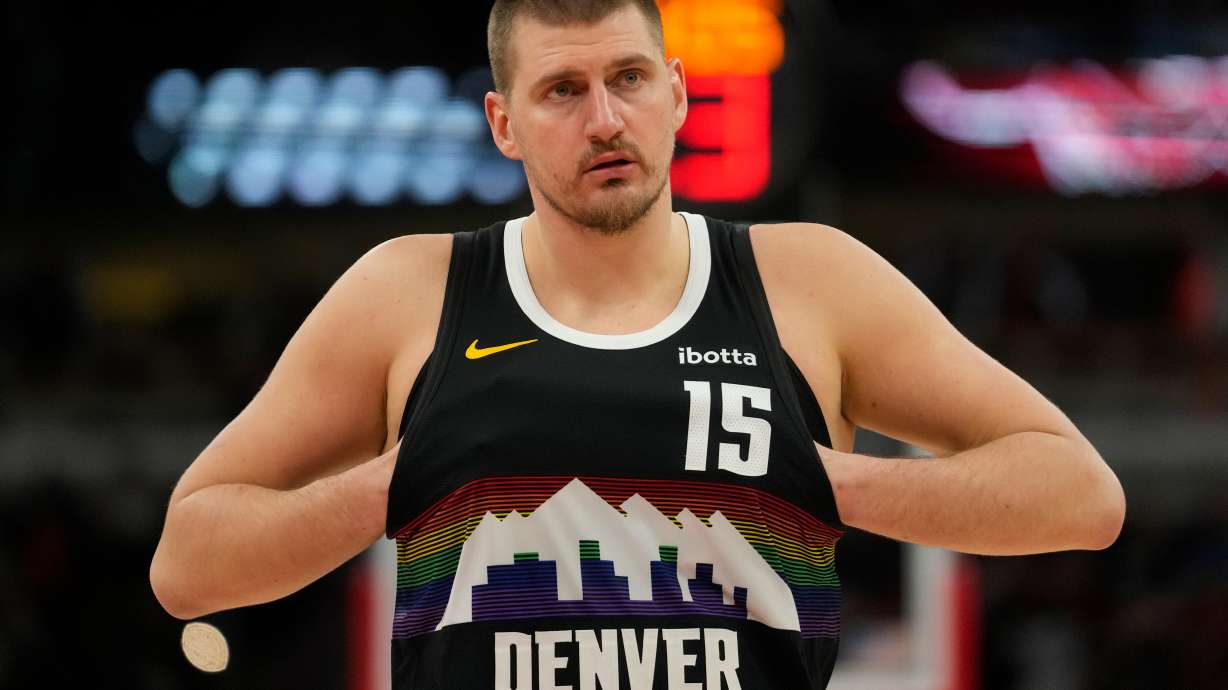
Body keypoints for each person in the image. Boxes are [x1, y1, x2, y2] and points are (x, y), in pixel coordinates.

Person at [150, 1, 1126, 687]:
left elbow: (1080, 497)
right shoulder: (413, 288)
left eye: (625, 79)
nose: (604, 119)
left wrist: (821, 482)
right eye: (561, 91)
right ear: (504, 123)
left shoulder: (808, 278)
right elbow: (188, 564)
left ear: (675, 92)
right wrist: (387, 485)